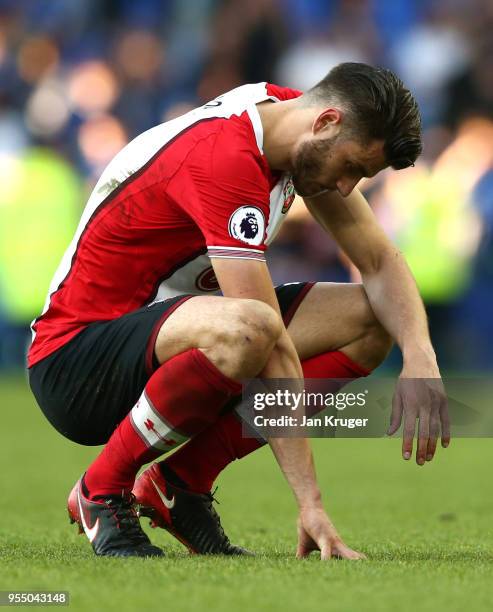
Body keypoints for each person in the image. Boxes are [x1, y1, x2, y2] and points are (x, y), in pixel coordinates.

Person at [27, 62, 450, 559]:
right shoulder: (225, 156)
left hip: (169, 336)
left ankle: (179, 485)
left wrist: (420, 355)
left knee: (374, 322)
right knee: (251, 328)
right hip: (78, 362)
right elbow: (266, 340)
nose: (345, 187)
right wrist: (310, 502)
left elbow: (379, 260)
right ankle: (101, 489)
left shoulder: (294, 121)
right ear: (327, 122)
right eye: (353, 167)